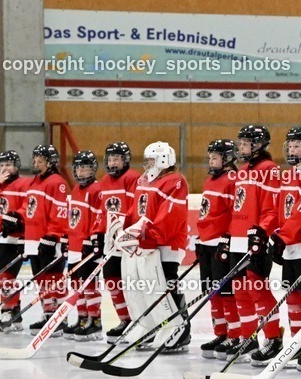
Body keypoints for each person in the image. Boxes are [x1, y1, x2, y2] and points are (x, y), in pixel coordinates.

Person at [116, 141, 190, 352]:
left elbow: (169, 216)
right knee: (145, 287)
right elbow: (134, 211)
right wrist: (123, 229)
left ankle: (180, 327)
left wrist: (148, 235)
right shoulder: (144, 181)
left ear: (163, 160)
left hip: (166, 244)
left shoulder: (175, 181)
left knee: (166, 284)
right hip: (145, 243)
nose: (148, 164)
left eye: (151, 160)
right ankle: (154, 324)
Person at [267, 126, 301, 369]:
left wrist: (284, 236)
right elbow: (281, 209)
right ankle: (297, 345)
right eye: (289, 145)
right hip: (289, 246)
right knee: (293, 300)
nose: (292, 149)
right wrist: (274, 235)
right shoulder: (287, 175)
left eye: (297, 145)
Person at [227, 124, 281, 363]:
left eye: (246, 143)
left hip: (256, 239)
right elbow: (238, 206)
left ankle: (273, 339)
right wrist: (227, 236)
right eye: (241, 143)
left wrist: (262, 231)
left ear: (258, 145)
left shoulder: (269, 169)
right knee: (240, 292)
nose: (242, 147)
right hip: (238, 238)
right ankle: (248, 339)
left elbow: (272, 206)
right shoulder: (242, 170)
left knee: (258, 290)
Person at [4, 145, 69, 331]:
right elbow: (28, 207)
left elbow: (60, 212)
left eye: (40, 161)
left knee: (54, 278)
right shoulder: (34, 182)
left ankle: (60, 317)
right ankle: (48, 314)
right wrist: (17, 217)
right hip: (33, 239)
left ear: (50, 163)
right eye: (35, 160)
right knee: (40, 279)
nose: (36, 163)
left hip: (48, 240)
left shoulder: (57, 182)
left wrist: (53, 235)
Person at [92, 142, 141, 342]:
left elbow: (135, 208)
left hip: (128, 240)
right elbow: (102, 211)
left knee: (132, 283)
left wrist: (124, 230)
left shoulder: (133, 178)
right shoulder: (104, 181)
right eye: (110, 159)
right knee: (112, 280)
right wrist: (97, 233)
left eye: (116, 159)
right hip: (110, 241)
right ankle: (124, 320)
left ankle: (139, 321)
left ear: (125, 160)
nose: (112, 163)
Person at [197, 139, 240, 358]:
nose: (211, 161)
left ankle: (235, 334)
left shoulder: (233, 180)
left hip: (221, 244)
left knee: (225, 292)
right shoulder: (209, 181)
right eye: (210, 157)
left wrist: (228, 238)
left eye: (215, 157)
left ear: (227, 158)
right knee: (212, 292)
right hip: (206, 243)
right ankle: (221, 333)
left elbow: (237, 213)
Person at [0, 150, 29, 331]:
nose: (5, 168)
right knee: (3, 277)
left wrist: (18, 218)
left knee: (7, 277)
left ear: (16, 165)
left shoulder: (24, 183)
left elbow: (29, 206)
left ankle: (8, 310)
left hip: (14, 237)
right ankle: (15, 311)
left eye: (9, 164)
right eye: (2, 165)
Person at [65, 151, 103, 340]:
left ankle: (95, 321)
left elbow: (99, 216)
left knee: (89, 285)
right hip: (75, 246)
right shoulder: (75, 190)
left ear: (93, 169)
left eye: (85, 168)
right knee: (76, 284)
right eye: (78, 168)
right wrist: (67, 239)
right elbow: (72, 219)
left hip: (87, 247)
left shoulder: (97, 189)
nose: (81, 172)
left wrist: (94, 238)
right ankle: (82, 318)